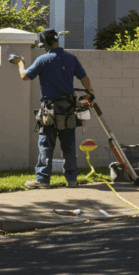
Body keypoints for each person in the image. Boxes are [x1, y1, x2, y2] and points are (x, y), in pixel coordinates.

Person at [12, 29, 94, 189]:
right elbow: (84, 77)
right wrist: (90, 92)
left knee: (46, 144)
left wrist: (20, 63)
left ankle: (42, 180)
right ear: (57, 41)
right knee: (68, 145)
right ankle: (72, 180)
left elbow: (24, 76)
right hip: (69, 108)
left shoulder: (43, 59)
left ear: (46, 44)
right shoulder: (71, 58)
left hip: (50, 109)